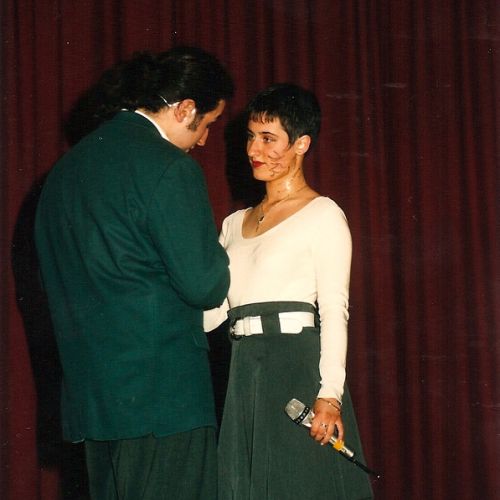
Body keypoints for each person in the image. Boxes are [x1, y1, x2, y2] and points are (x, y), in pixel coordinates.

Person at [35, 46, 234, 500]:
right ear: (185, 109)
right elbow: (205, 285)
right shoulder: (170, 168)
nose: (205, 140)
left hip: (94, 405)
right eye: (207, 124)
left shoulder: (64, 173)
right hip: (163, 404)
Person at [204, 83, 374, 499]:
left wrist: (329, 395)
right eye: (250, 136)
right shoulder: (233, 224)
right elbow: (212, 312)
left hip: (295, 369)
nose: (254, 150)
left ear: (301, 143)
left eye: (268, 138)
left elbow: (334, 309)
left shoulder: (323, 214)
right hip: (242, 370)